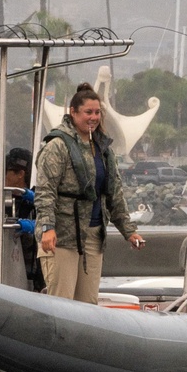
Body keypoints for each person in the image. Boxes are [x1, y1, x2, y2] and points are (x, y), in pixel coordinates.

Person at [34, 83, 144, 303]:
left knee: (88, 304)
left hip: (93, 236)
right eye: (88, 112)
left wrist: (129, 231)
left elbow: (114, 193)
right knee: (62, 302)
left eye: (97, 112)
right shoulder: (57, 146)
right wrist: (48, 227)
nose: (93, 117)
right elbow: (45, 192)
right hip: (62, 237)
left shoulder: (103, 149)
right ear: (73, 113)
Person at [0, 147, 42, 290]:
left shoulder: (39, 201)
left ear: (20, 174)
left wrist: (31, 228)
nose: (1, 176)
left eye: (5, 171)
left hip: (31, 274)